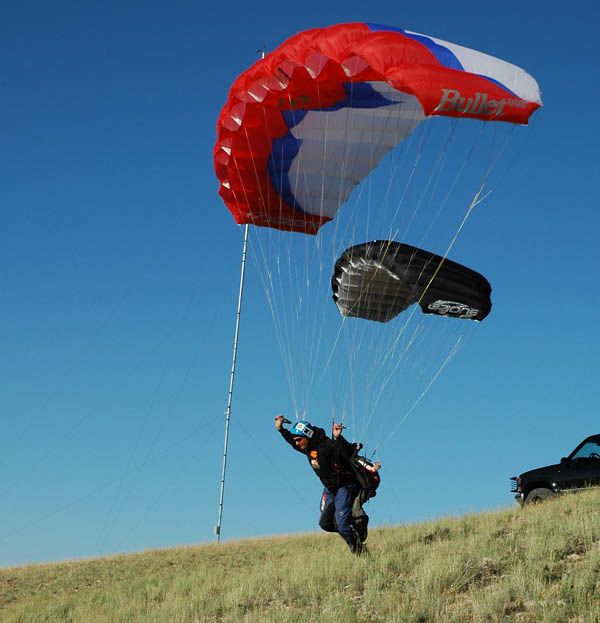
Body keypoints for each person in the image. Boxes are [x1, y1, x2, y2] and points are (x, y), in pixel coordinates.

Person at [274, 414, 380, 554]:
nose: (297, 443)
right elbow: (291, 441)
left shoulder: (327, 446)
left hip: (344, 486)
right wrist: (281, 429)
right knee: (325, 523)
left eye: (299, 440)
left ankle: (360, 551)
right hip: (331, 489)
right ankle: (354, 525)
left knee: (342, 526)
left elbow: (348, 453)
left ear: (308, 436)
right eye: (296, 441)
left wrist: (339, 437)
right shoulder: (307, 448)